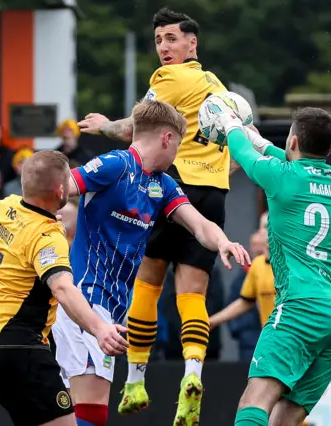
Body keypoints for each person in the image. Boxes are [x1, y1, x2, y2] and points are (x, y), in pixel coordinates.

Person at [78, 9, 237, 423]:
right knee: (192, 295)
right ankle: (193, 373)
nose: (164, 47)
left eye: (171, 38)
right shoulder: (219, 89)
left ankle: (134, 381)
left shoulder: (166, 79)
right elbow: (235, 148)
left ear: (192, 44)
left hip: (172, 187)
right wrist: (217, 174)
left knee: (147, 283)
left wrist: (103, 125)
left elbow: (139, 128)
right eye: (159, 40)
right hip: (214, 194)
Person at [53, 100, 249, 426]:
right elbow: (64, 185)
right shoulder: (115, 164)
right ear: (167, 139)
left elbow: (199, 225)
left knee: (79, 411)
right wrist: (46, 216)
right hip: (87, 298)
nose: (177, 156)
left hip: (112, 306)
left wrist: (224, 242)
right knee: (90, 409)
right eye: (179, 145)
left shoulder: (162, 183)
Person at [207, 105, 331, 425]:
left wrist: (229, 123)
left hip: (301, 307)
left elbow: (241, 153)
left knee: (254, 400)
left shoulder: (281, 177)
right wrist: (260, 143)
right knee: (286, 417)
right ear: (330, 149)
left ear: (293, 142)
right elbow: (288, 158)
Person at [0, 150, 129, 426]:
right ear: (60, 188)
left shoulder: (3, 208)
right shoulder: (47, 235)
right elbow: (63, 289)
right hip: (19, 347)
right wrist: (101, 328)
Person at [209, 225, 275, 332]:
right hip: (269, 337)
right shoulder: (257, 265)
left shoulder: (293, 264)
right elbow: (246, 301)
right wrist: (212, 321)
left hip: (294, 336)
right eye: (264, 226)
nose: (267, 230)